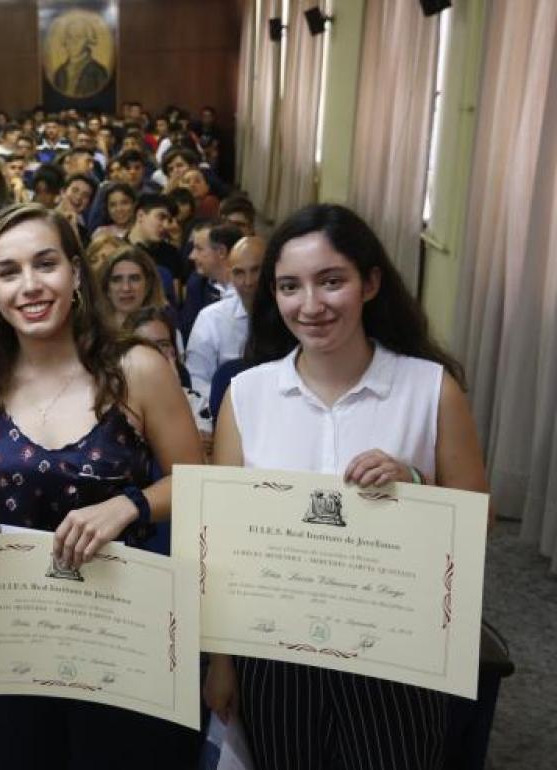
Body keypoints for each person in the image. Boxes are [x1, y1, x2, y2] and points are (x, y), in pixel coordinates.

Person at [204, 203, 489, 770]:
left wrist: (414, 484)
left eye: (331, 281)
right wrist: (222, 660)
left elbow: (475, 526)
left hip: (396, 656)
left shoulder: (429, 389)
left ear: (371, 283)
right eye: (289, 286)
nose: (310, 305)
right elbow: (226, 546)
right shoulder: (249, 395)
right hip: (275, 654)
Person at [0, 203, 203, 768]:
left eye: (45, 264)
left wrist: (130, 504)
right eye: (8, 272)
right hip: (9, 632)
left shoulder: (134, 367)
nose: (30, 286)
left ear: (77, 274)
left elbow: (199, 485)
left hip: (116, 630)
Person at [185, 235, 263, 396]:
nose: (249, 281)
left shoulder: (293, 314)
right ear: (230, 276)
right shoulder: (211, 319)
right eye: (239, 273)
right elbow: (196, 379)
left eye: (256, 270)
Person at [128, 305, 213, 439]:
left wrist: (171, 393)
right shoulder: (113, 402)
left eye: (163, 344)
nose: (156, 353)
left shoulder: (196, 402)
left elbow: (200, 453)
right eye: (145, 345)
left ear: (174, 352)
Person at [179, 221, 242, 339]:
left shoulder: (250, 287)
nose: (191, 256)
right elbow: (188, 334)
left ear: (221, 252)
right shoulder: (197, 285)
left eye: (199, 249)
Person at [101, 247, 167, 328]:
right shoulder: (91, 334)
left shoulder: (165, 331)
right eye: (117, 280)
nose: (126, 288)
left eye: (134, 279)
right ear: (107, 288)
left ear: (148, 285)